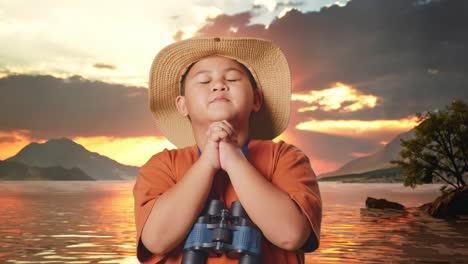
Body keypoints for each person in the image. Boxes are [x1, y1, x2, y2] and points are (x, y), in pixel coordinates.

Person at [133, 37, 322, 264]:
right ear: (182, 105)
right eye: (204, 81)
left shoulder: (286, 158)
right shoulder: (163, 165)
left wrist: (234, 159)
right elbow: (156, 240)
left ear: (257, 99)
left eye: (232, 78)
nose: (219, 85)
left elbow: (291, 236)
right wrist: (207, 164)